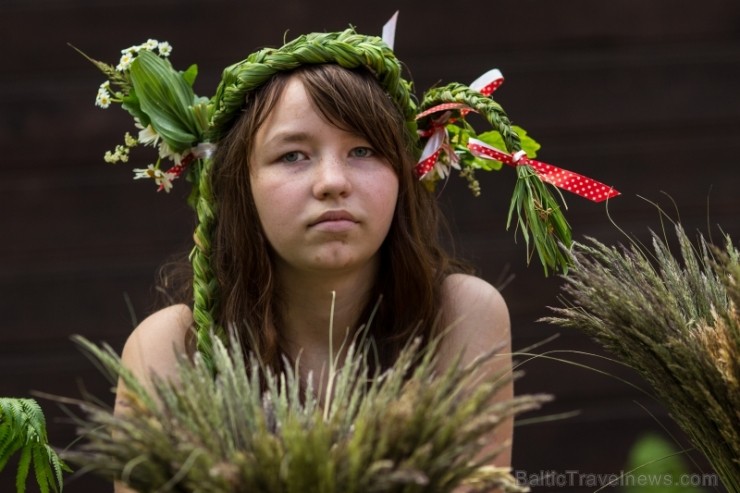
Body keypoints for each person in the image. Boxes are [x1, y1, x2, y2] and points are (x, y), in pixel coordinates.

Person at [90, 21, 596, 493]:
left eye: (363, 151)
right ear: (239, 185)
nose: (332, 182)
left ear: (403, 171)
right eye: (293, 155)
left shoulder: (460, 317)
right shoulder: (171, 349)